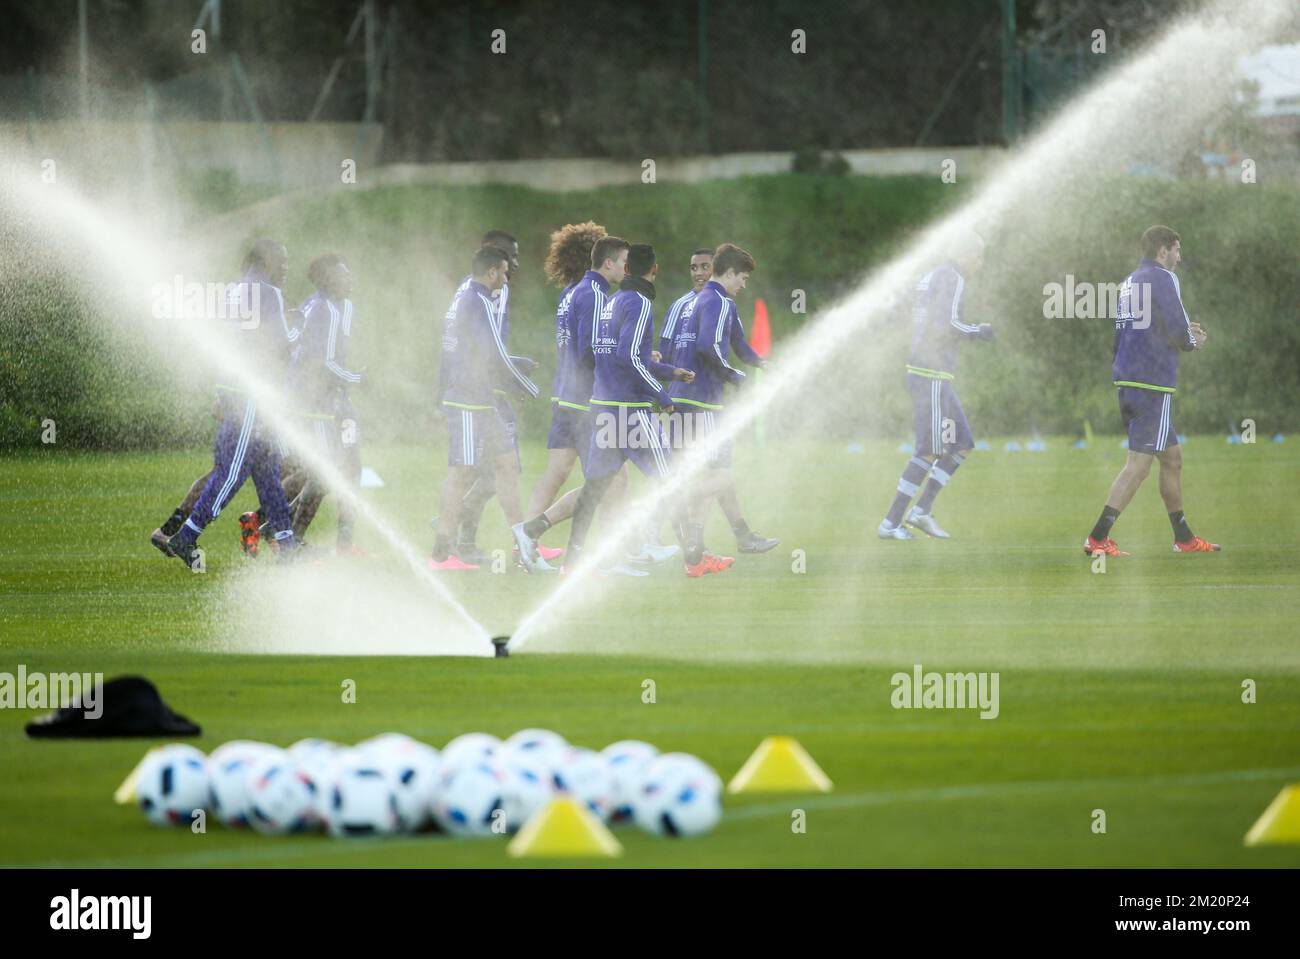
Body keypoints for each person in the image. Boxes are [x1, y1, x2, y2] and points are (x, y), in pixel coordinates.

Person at [561, 243, 719, 576]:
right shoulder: (640, 303)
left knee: (594, 489)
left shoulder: (611, 302)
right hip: (630, 412)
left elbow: (607, 356)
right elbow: (630, 357)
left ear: (627, 269)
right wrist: (663, 395)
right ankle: (695, 560)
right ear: (654, 270)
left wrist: (669, 371)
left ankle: (571, 563)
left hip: (603, 408)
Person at [163, 240, 301, 567]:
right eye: (282, 261)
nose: (285, 267)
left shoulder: (234, 290)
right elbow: (280, 347)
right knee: (232, 472)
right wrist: (299, 332)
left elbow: (224, 343)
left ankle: (286, 541)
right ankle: (186, 537)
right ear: (266, 260)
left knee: (267, 472)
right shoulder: (268, 292)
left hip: (234, 389)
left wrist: (219, 390)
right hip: (251, 394)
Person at [1083, 225, 1218, 556]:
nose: (1179, 257)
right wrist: (1193, 341)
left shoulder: (1130, 281)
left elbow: (1123, 330)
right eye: (1177, 249)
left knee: (1172, 458)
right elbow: (1176, 328)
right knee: (1138, 465)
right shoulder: (1164, 277)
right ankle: (1098, 538)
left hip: (1129, 379)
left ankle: (1184, 538)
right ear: (1163, 250)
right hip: (1152, 383)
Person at [658, 246, 778, 554]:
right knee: (718, 475)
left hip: (681, 402)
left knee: (710, 473)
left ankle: (718, 540)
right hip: (703, 403)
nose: (744, 285)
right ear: (729, 273)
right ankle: (664, 523)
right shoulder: (716, 301)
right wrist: (736, 377)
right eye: (743, 278)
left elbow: (738, 343)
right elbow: (707, 348)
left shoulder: (708, 301)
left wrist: (761, 363)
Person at [245, 253, 364, 555]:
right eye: (343, 274)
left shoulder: (339, 307)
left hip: (332, 399)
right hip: (312, 403)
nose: (349, 279)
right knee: (324, 473)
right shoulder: (320, 309)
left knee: (345, 467)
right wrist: (355, 378)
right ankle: (290, 540)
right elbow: (318, 362)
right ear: (326, 280)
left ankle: (267, 524)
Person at [430, 246, 541, 569]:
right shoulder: (477, 300)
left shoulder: (468, 297)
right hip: (466, 399)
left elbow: (481, 351)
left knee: (507, 465)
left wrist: (514, 367)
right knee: (462, 473)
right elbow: (494, 351)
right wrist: (526, 384)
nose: (507, 279)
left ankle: (522, 543)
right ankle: (441, 551)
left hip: (481, 399)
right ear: (492, 272)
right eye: (504, 272)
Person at [878, 231, 992, 541]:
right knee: (928, 450)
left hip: (935, 375)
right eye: (978, 256)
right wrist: (979, 330)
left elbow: (899, 312)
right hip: (929, 373)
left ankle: (921, 511)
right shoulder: (953, 278)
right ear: (965, 254)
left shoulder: (931, 276)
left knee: (963, 443)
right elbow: (949, 323)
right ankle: (890, 523)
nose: (980, 262)